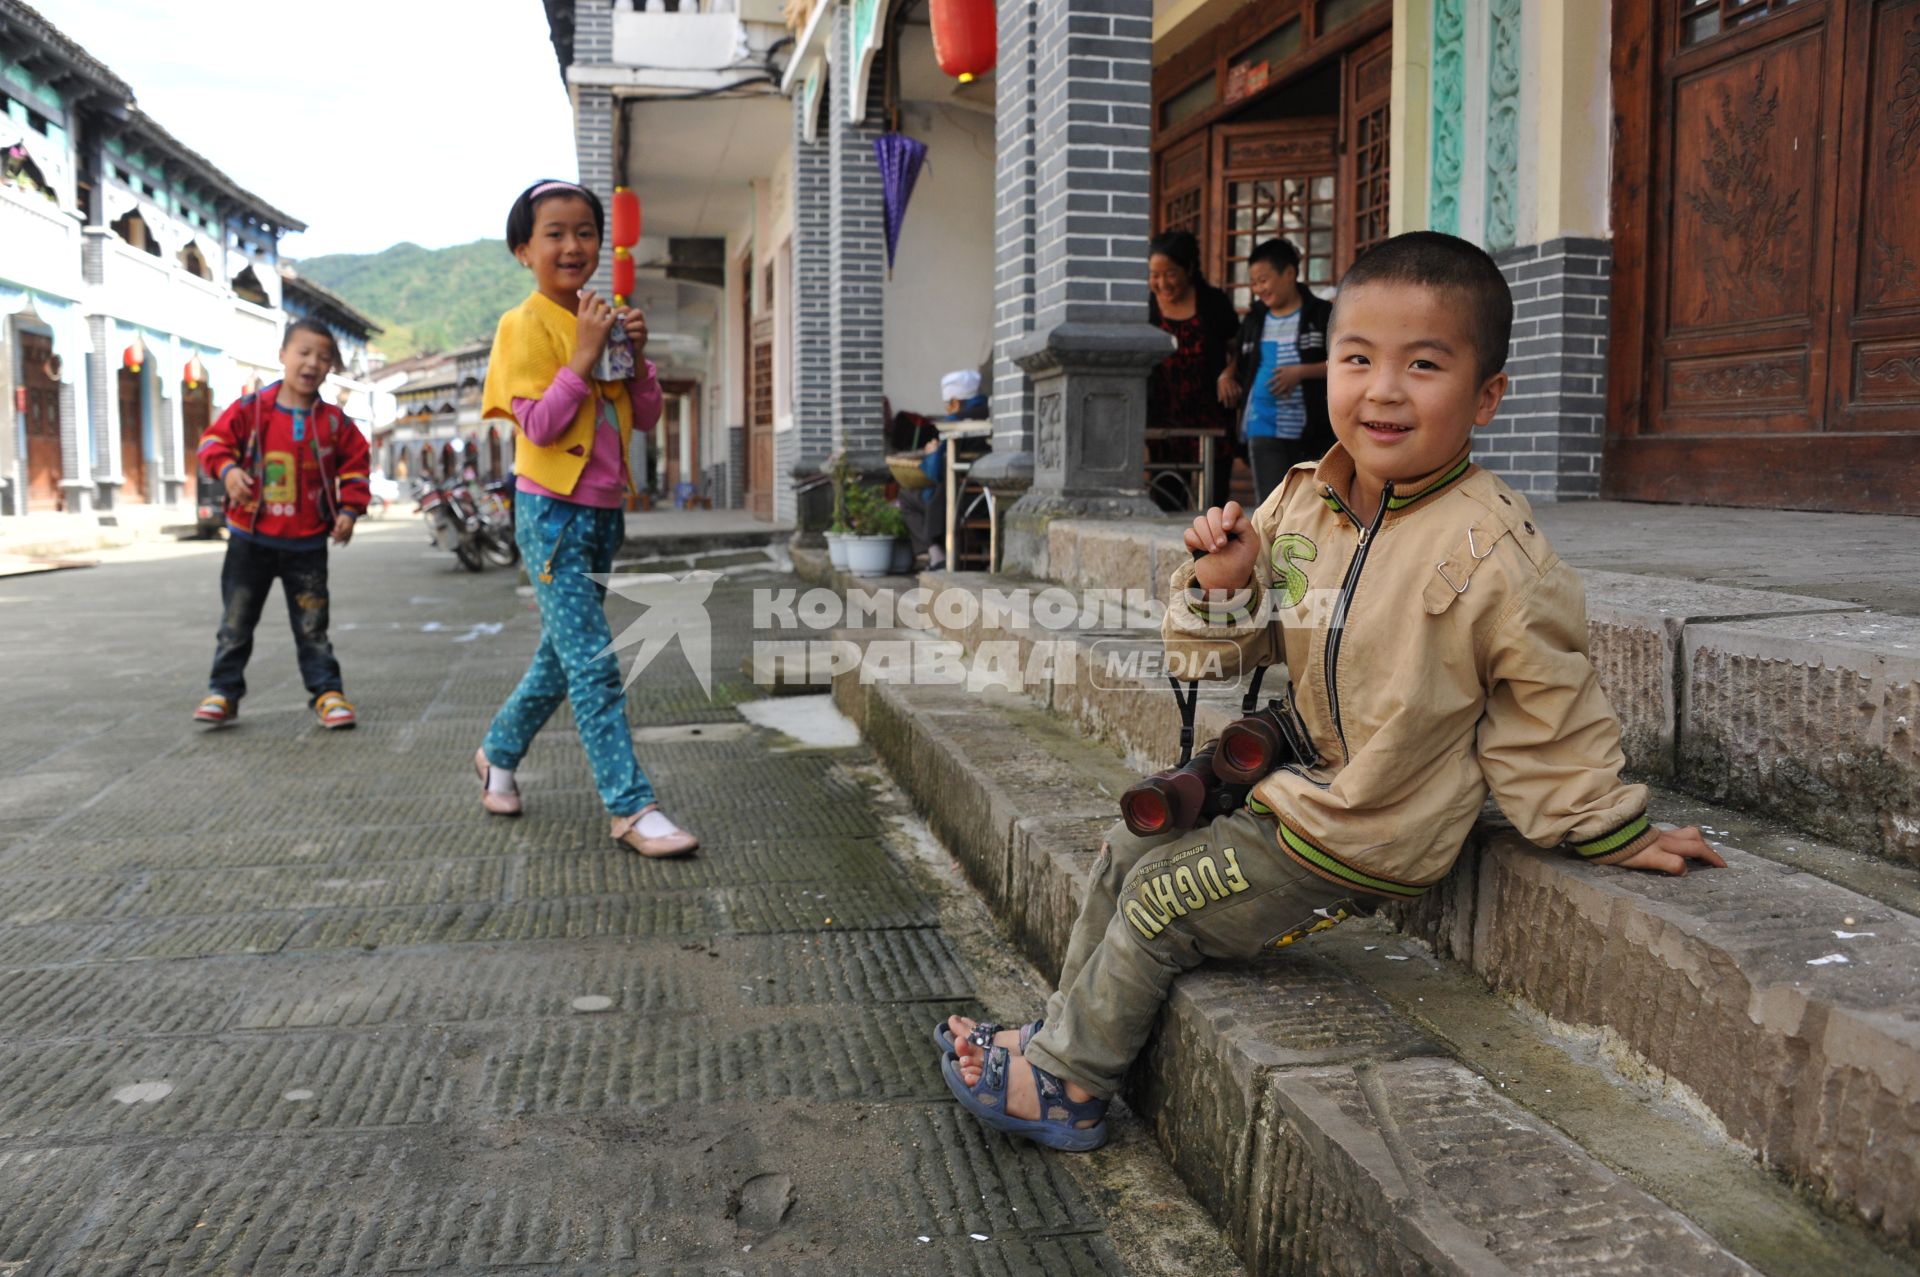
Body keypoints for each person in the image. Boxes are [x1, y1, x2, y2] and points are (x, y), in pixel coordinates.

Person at [939, 231, 1725, 1151]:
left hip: (1362, 826)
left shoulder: (1498, 554)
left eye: (1423, 364)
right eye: (1357, 359)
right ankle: (1055, 1036)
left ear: (1487, 396)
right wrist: (1227, 582)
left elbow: (1548, 710)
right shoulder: (1304, 499)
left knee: (1159, 904)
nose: (1384, 389)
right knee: (1124, 847)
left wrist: (1608, 823)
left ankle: (1070, 1086)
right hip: (1289, 789)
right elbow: (1216, 652)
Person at [472, 178, 698, 858]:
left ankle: (497, 753)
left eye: (585, 232)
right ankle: (631, 807)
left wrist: (640, 360)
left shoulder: (605, 314)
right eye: (554, 234)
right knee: (595, 662)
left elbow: (648, 417)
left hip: (603, 514)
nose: (572, 245)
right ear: (523, 251)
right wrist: (583, 354)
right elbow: (537, 424)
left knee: (559, 659)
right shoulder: (522, 324)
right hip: (550, 514)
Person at [191, 319, 370, 731]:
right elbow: (212, 444)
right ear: (283, 356)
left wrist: (349, 510)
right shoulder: (251, 409)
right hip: (248, 539)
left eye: (323, 358)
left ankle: (327, 692)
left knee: (312, 626)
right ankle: (223, 692)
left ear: (330, 369)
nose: (312, 363)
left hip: (307, 543)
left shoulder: (334, 423)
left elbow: (357, 465)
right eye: (304, 353)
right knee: (235, 623)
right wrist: (229, 471)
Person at [1218, 237, 1333, 507]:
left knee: (1309, 504)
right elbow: (1242, 357)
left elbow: (1344, 363)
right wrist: (1226, 374)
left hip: (1311, 428)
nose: (1258, 288)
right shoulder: (1255, 318)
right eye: (1254, 282)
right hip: (1263, 424)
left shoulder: (1321, 314)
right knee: (1270, 505)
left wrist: (1301, 372)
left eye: (1263, 280)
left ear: (1290, 273)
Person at [1146, 230, 1242, 510]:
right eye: (1154, 274)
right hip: (1164, 415)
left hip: (1209, 412)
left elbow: (1240, 347)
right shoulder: (1145, 307)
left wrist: (1229, 373)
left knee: (1212, 501)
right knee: (1166, 497)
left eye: (1170, 273)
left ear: (1189, 269)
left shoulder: (1213, 302)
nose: (1162, 282)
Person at [899, 369, 990, 570]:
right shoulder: (992, 414)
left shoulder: (955, 423)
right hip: (986, 498)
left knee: (906, 497)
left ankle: (936, 554)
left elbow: (935, 472)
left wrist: (932, 452)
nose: (948, 410)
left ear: (956, 402)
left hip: (958, 499)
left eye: (948, 405)